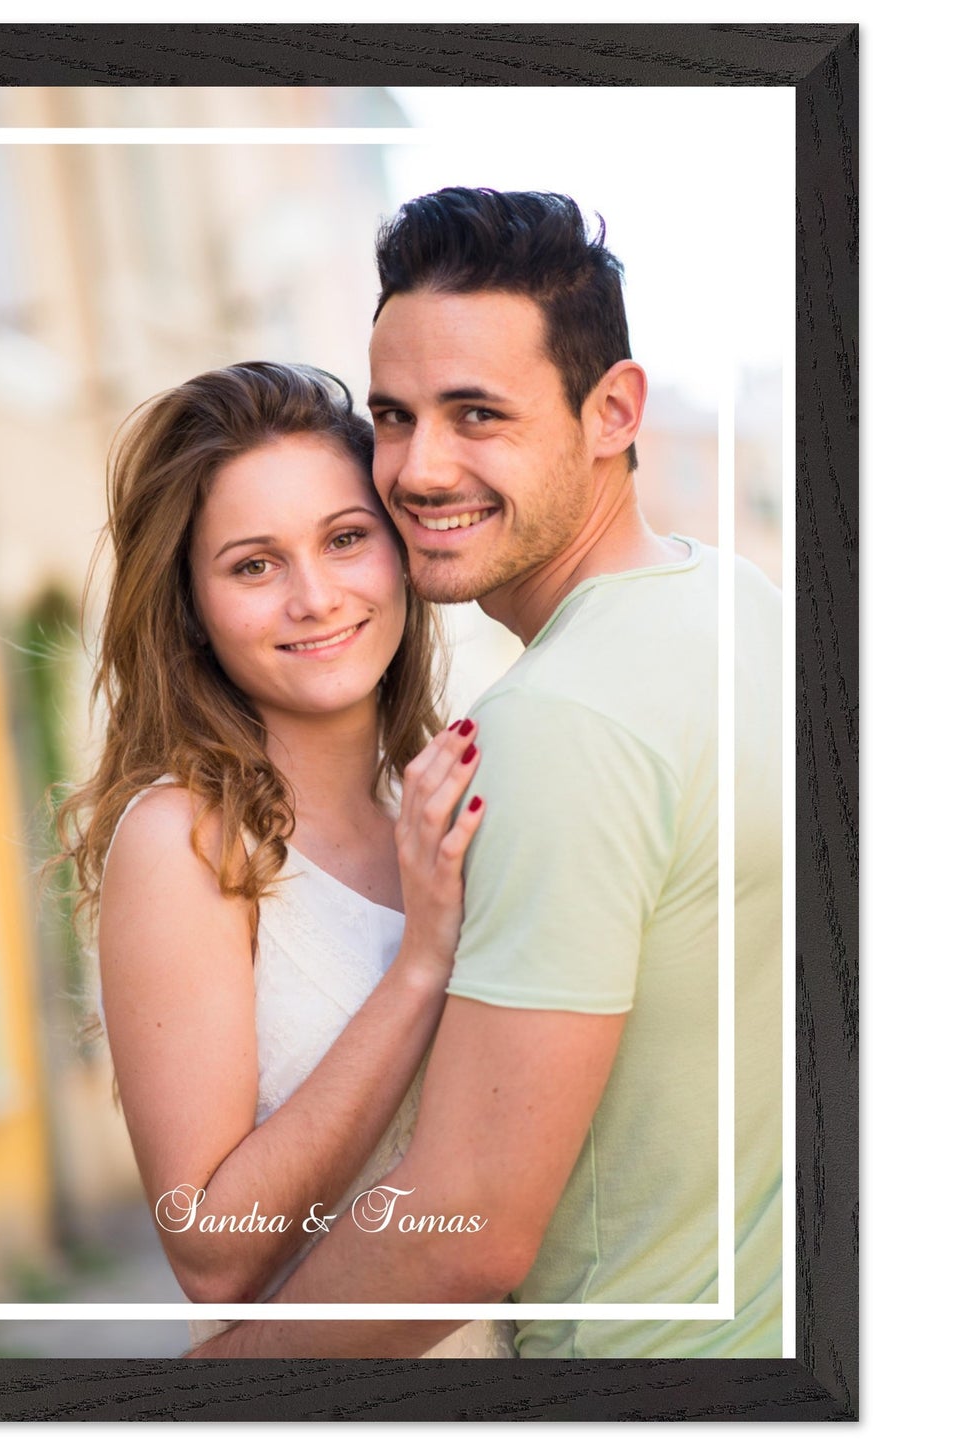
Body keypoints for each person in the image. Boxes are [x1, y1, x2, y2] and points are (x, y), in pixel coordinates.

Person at [190, 188, 783, 1359]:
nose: (415, 468)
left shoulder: (558, 718)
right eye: (395, 416)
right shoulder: (735, 601)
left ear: (612, 409)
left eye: (476, 414)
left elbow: (464, 1231)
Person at [54, 360, 516, 1357]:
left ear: (400, 551)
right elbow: (212, 1254)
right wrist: (420, 964)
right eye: (253, 564)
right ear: (190, 606)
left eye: (345, 539)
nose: (315, 596)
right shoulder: (183, 839)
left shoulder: (432, 801)